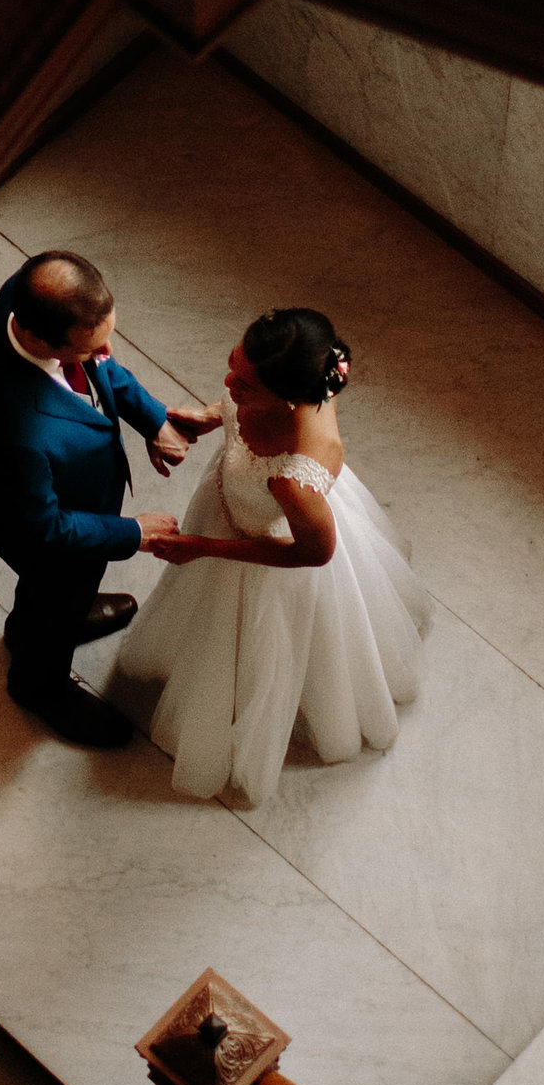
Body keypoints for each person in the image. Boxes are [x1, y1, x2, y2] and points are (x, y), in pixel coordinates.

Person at [115, 305, 428, 809]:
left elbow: (313, 553)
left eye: (246, 386)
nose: (228, 383)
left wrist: (204, 548)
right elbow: (247, 400)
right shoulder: (318, 367)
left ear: (288, 397)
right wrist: (216, 415)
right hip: (240, 493)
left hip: (262, 543)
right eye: (234, 364)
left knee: (250, 655)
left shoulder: (295, 479)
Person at [0, 250, 219, 747]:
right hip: (49, 536)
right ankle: (38, 686)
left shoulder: (34, 294)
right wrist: (135, 533)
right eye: (88, 348)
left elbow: (101, 365)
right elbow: (46, 529)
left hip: (75, 500)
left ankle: (35, 625)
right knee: (55, 593)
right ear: (38, 339)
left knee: (52, 604)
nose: (104, 351)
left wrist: (152, 419)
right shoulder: (14, 428)